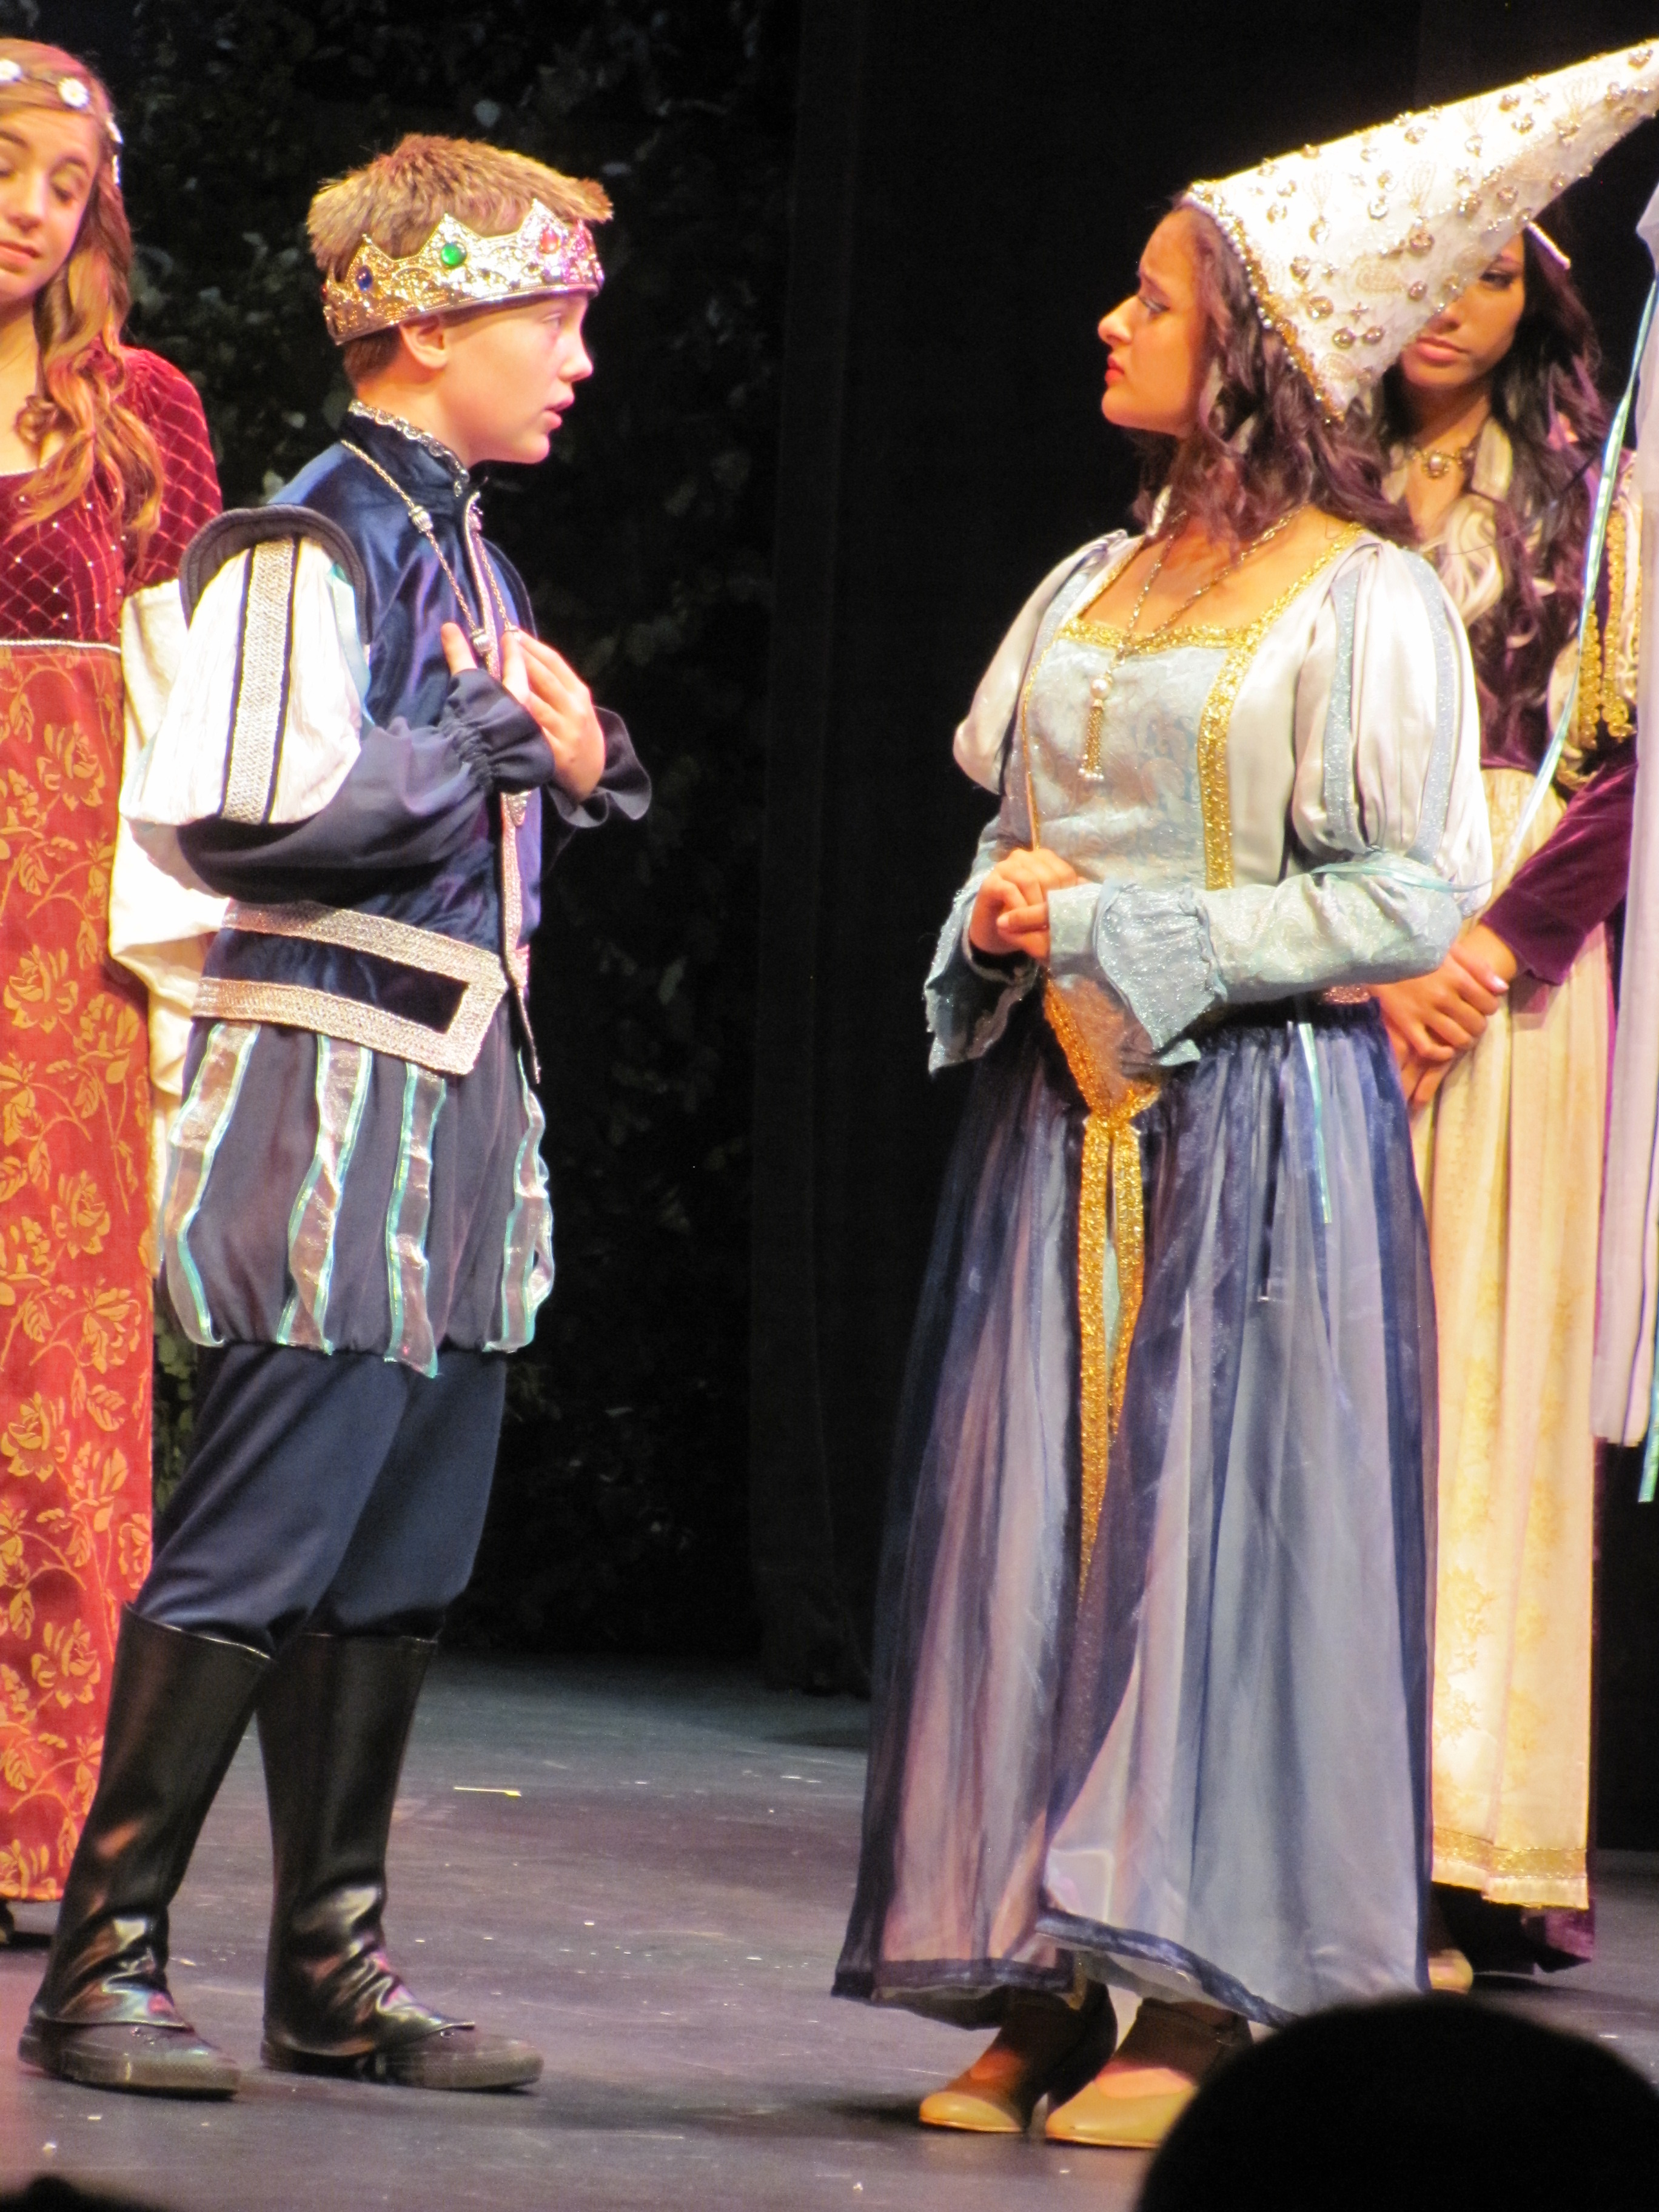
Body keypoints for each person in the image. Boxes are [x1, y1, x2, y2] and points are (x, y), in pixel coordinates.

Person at [834, 39, 1659, 2156]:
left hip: (1265, 1128)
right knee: (1042, 1530)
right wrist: (1000, 916)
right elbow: (1014, 821)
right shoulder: (1087, 584)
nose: (1111, 324)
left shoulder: (1361, 598)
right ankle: (1046, 1968)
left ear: (1250, 354)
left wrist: (1132, 927)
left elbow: (1408, 891)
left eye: (1155, 300)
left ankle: (1209, 1993)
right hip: (1063, 1132)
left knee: (1227, 1537)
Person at [18, 134, 648, 2097]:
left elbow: (508, 789)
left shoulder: (473, 551)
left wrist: (576, 758)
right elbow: (245, 815)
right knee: (263, 1532)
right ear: (430, 329)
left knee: (400, 1550)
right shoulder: (315, 538)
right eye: (551, 320)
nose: (579, 360)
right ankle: (103, 1960)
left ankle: (330, 1966)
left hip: (461, 1079)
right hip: (329, 1080)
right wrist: (480, 738)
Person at [1373, 224, 1636, 1983]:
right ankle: (1316, 1822)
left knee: (1484, 1374)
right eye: (1427, 271)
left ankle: (1459, 1839)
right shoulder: (1313, 482)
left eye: (1486, 278)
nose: (1447, 306)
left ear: (1534, 306)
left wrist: (1490, 948)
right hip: (1339, 936)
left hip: (1519, 962)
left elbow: (1627, 759)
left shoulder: (1591, 504)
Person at [0, 42, 220, 1929]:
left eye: (62, 188)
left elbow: (199, 696)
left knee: (57, 1376)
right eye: (2, 167)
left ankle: (35, 1815)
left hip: (64, 950)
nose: (26, 211)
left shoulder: (137, 414)